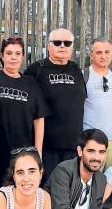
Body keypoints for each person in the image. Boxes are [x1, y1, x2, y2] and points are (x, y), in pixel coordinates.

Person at [25, 28, 86, 178]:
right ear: (48, 46)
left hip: (73, 146)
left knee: (69, 192)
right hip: (46, 148)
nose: (62, 46)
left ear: (72, 47)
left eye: (67, 43)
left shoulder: (76, 69)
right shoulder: (36, 70)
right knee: (47, 190)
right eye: (57, 43)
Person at [0, 37, 46, 196]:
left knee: (19, 195)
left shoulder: (30, 83)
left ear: (22, 57)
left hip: (22, 152)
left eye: (17, 53)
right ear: (2, 56)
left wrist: (38, 151)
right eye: (9, 53)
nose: (13, 57)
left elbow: (39, 118)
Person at [83, 37, 112, 169]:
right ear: (91, 55)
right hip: (92, 141)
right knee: (91, 181)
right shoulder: (84, 75)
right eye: (99, 52)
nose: (103, 56)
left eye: (107, 52)